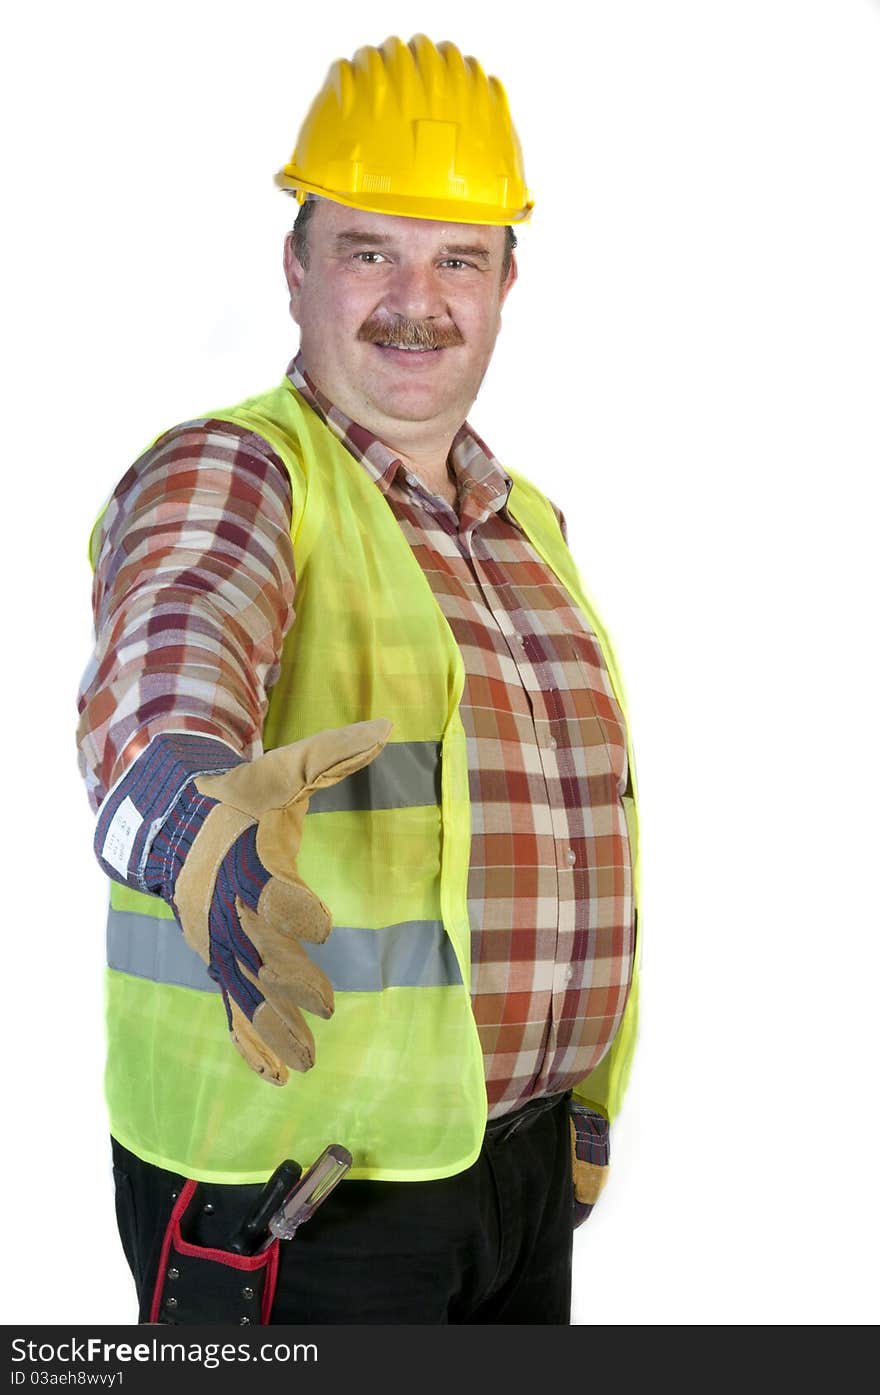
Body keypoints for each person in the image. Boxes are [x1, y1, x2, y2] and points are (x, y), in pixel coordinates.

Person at [76, 32, 640, 1326]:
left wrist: (574, 1113)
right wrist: (188, 814)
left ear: (506, 280)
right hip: (299, 1198)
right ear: (297, 266)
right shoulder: (235, 472)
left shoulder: (527, 527)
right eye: (369, 250)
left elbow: (552, 840)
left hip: (509, 1174)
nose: (415, 299)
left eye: (458, 257)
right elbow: (176, 633)